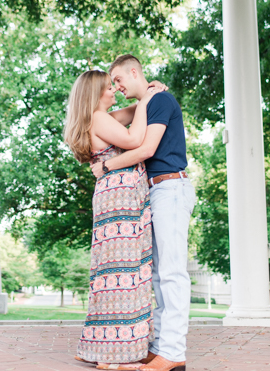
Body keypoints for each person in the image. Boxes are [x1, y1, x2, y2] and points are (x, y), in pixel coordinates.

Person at [91, 55, 192, 371]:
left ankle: (173, 353)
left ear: (134, 72)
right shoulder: (150, 102)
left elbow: (145, 149)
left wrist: (106, 165)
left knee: (173, 272)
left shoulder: (161, 100)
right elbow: (115, 121)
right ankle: (161, 347)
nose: (117, 87)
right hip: (155, 191)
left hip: (170, 188)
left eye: (118, 80)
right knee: (160, 274)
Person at [64, 69, 165, 371]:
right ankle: (113, 356)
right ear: (96, 94)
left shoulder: (100, 117)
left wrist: (149, 92)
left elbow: (134, 110)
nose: (114, 91)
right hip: (119, 196)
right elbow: (135, 139)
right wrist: (148, 100)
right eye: (109, 87)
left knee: (110, 272)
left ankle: (97, 345)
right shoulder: (99, 118)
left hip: (113, 194)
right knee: (123, 272)